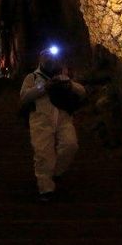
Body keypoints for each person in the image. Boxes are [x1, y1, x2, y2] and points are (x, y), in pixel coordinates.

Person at [20, 47, 86, 201]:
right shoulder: (32, 77)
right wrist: (43, 87)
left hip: (63, 117)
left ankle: (56, 172)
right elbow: (24, 97)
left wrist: (69, 84)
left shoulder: (63, 76)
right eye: (47, 58)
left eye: (52, 58)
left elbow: (82, 92)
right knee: (43, 154)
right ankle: (46, 188)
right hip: (40, 119)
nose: (50, 61)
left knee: (71, 145)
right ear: (41, 60)